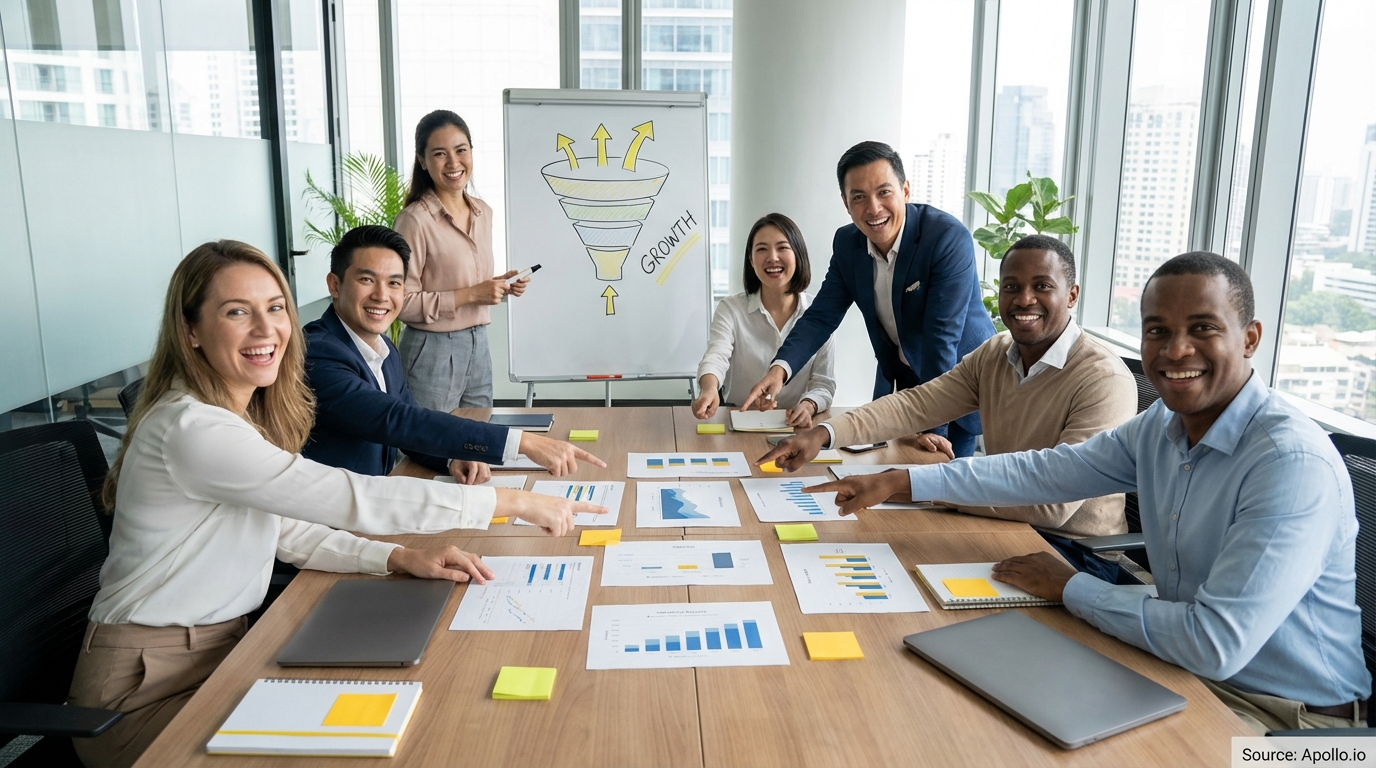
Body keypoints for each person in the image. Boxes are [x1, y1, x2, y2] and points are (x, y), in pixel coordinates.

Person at [67, 241, 605, 768]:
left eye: (275, 308)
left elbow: (286, 530)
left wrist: (397, 557)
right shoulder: (193, 427)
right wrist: (507, 501)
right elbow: (346, 496)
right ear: (190, 331)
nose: (266, 329)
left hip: (224, 652)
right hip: (141, 691)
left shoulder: (233, 418)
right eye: (237, 312)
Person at [810, 252, 1371, 734]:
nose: (1175, 351)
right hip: (1184, 670)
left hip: (1294, 724)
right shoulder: (1162, 428)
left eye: (1202, 328)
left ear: (1249, 338)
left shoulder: (1288, 463)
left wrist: (1072, 588)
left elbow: (1213, 641)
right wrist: (905, 481)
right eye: (1157, 330)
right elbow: (1045, 472)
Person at [759, 235, 1137, 579]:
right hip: (1006, 526)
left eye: (1042, 287)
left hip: (1077, 557)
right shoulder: (995, 353)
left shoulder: (1103, 380)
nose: (1024, 299)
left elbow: (1050, 506)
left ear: (1071, 295)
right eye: (1011, 287)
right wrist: (825, 434)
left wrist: (906, 485)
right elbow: (915, 405)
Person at [739, 141, 994, 457]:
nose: (873, 208)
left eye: (884, 192)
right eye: (858, 197)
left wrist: (931, 427)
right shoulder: (848, 244)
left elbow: (941, 340)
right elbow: (821, 316)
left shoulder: (945, 238)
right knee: (891, 482)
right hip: (907, 387)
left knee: (946, 487)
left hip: (961, 380)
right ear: (846, 203)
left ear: (905, 191)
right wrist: (779, 371)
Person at [302, 225, 607, 482]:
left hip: (369, 507)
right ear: (335, 285)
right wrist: (522, 441)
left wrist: (448, 460)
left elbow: (407, 433)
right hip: (328, 529)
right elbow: (396, 420)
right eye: (367, 280)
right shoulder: (318, 352)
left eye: (394, 283)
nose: (382, 295)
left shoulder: (381, 348)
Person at [395, 110, 526, 411]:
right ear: (423, 161)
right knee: (431, 449)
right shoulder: (414, 220)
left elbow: (469, 281)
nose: (453, 163)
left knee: (478, 439)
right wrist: (471, 295)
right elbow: (400, 301)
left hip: (478, 344)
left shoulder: (483, 213)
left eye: (460, 150)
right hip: (432, 350)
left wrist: (501, 284)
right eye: (440, 154)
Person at [692, 213, 836, 427]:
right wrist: (709, 389)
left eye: (782, 248)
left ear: (798, 254)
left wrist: (809, 405)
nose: (773, 257)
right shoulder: (731, 309)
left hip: (795, 427)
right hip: (738, 421)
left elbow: (823, 384)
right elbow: (716, 356)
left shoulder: (818, 313)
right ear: (751, 260)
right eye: (761, 249)